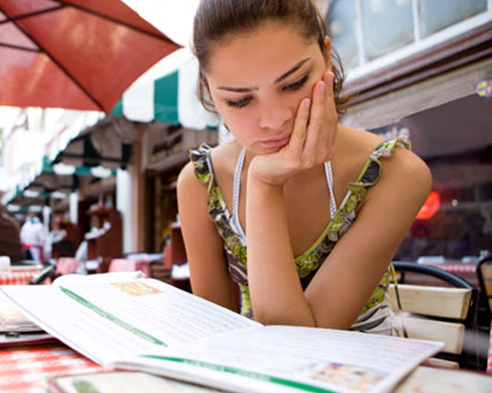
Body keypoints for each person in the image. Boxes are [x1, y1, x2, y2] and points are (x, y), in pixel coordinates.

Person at [177, 0, 432, 335]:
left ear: (326, 57)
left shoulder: (396, 173)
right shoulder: (201, 183)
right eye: (240, 100)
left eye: (294, 83)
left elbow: (300, 339)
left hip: (368, 377)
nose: (274, 120)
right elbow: (215, 336)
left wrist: (265, 183)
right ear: (210, 92)